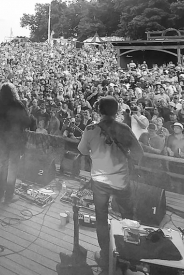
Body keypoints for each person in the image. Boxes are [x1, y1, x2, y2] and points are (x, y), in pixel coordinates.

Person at [78, 96, 143, 268]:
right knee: (128, 216)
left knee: (101, 216)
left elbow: (82, 150)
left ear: (99, 110)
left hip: (99, 180)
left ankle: (106, 255)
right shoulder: (124, 129)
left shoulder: (91, 129)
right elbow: (139, 153)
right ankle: (127, 254)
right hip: (120, 180)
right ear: (117, 111)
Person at [0, 82, 32, 204]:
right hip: (16, 141)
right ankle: (9, 197)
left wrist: (2, 131)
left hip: (4, 140)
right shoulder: (18, 105)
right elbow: (27, 122)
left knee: (3, 166)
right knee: (12, 168)